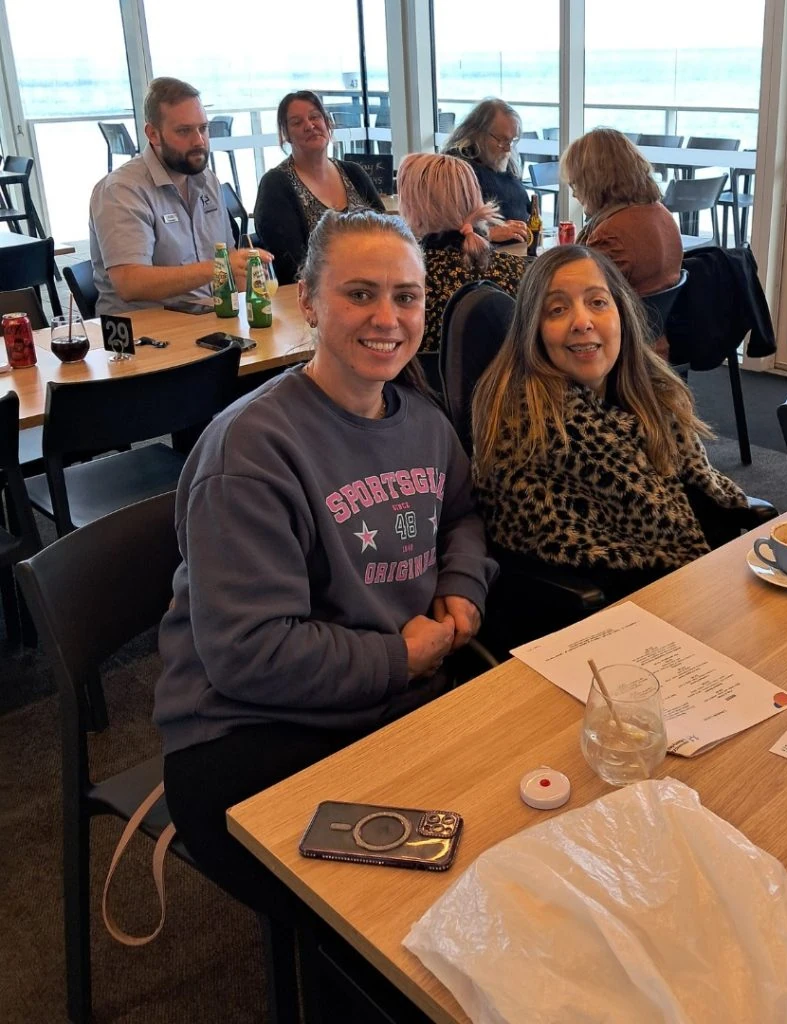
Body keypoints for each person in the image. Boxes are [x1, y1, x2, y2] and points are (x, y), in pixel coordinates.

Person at [154, 210, 497, 922]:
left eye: (406, 296)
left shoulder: (424, 420)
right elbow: (248, 653)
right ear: (307, 301)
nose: (388, 318)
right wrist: (397, 658)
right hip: (253, 730)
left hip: (389, 698)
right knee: (400, 922)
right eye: (360, 293)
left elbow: (461, 512)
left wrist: (462, 587)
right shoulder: (249, 452)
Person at [472, 245, 746, 602]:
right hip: (626, 624)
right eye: (557, 309)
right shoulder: (529, 431)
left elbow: (703, 504)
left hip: (708, 592)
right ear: (533, 331)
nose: (582, 321)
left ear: (621, 313)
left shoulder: (654, 397)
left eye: (598, 302)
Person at [89, 77, 271, 316]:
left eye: (203, 129)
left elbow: (229, 269)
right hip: (145, 334)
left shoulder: (208, 181)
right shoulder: (122, 190)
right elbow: (129, 282)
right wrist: (219, 266)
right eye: (184, 131)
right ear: (153, 134)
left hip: (209, 318)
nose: (198, 141)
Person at [397, 152, 525, 353]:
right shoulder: (521, 272)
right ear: (474, 196)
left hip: (425, 384)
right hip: (508, 382)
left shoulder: (406, 287)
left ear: (412, 207)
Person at [254, 91, 385, 285]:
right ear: (286, 134)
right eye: (297, 122)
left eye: (315, 117)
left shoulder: (353, 173)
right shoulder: (275, 185)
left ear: (327, 123)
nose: (309, 125)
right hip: (314, 295)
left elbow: (386, 232)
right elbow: (291, 267)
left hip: (374, 282)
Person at [561, 129, 683, 298]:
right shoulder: (662, 215)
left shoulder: (611, 235)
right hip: (654, 319)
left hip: (621, 321)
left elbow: (580, 294)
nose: (575, 194)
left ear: (593, 182)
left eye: (576, 184)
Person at [443, 98, 531, 245]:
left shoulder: (504, 162)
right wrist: (488, 233)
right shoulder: (456, 168)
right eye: (501, 140)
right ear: (477, 133)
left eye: (511, 141)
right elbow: (442, 233)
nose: (508, 148)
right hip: (482, 258)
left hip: (517, 252)